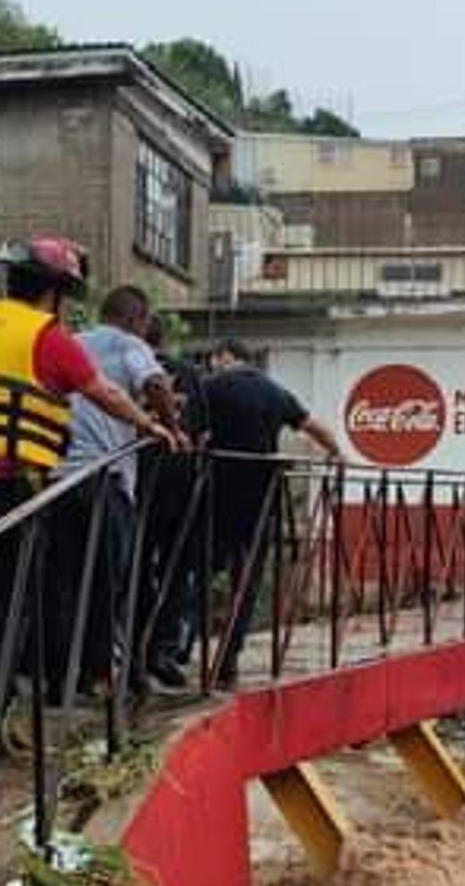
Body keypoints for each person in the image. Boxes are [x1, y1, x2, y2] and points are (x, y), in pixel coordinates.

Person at [0, 236, 177, 749]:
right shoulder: (47, 336)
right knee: (12, 607)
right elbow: (105, 393)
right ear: (56, 293)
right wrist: (152, 428)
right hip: (12, 484)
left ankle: (13, 700)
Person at [45, 284, 172, 699]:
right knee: (107, 580)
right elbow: (155, 383)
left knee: (61, 581)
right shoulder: (131, 344)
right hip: (105, 478)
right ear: (138, 318)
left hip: (57, 478)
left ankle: (59, 677)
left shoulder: (71, 342)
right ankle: (100, 673)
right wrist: (169, 426)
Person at [198, 340, 341, 688]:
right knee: (245, 581)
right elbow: (313, 427)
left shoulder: (210, 387)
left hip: (212, 497)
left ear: (225, 358)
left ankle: (177, 650)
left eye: (215, 359)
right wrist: (337, 453)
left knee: (196, 570)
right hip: (259, 501)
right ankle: (227, 660)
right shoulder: (274, 391)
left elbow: (195, 433)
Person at [136, 316, 208, 690]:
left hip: (136, 484)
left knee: (132, 569)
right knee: (174, 570)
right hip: (179, 485)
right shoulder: (188, 373)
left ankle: (131, 648)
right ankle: (161, 650)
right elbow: (204, 432)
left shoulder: (123, 369)